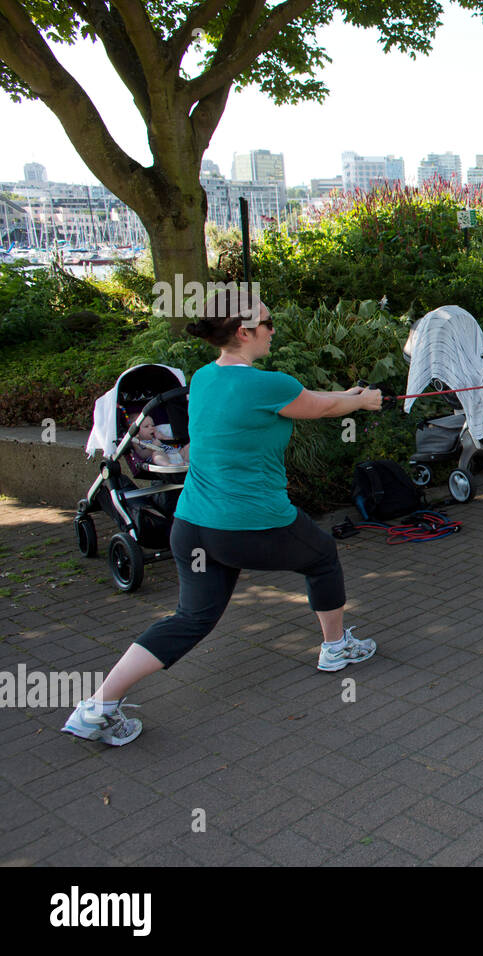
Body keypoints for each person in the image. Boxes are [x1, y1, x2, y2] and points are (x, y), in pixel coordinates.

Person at [62, 287, 385, 746]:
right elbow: (322, 406)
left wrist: (348, 396)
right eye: (268, 323)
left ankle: (97, 706)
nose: (274, 330)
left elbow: (306, 397)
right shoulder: (268, 385)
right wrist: (362, 400)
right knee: (322, 555)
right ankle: (335, 649)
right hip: (252, 523)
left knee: (190, 619)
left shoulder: (204, 379)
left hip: (192, 526)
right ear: (244, 331)